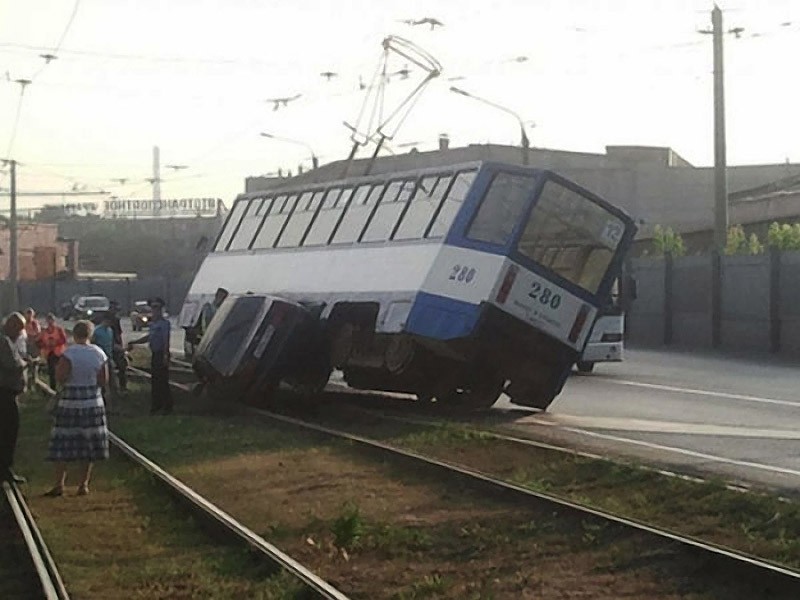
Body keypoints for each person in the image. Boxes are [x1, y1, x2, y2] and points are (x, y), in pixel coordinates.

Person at [45, 320, 109, 497]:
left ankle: (59, 484)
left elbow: (61, 377)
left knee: (63, 444)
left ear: (74, 334)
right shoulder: (99, 353)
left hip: (70, 402)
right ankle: (83, 484)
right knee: (87, 445)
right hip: (92, 402)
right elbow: (104, 381)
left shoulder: (69, 353)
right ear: (90, 335)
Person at [128, 298, 172, 415]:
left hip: (161, 353)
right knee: (155, 381)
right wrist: (135, 341)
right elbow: (149, 337)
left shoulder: (164, 324)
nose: (155, 310)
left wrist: (165, 356)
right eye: (153, 307)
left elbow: (166, 340)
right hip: (154, 354)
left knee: (162, 381)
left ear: (161, 309)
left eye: (157, 307)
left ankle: (166, 406)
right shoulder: (153, 324)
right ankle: (156, 405)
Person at [0, 313, 28, 484]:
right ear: (11, 326)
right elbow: (11, 364)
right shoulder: (3, 341)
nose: (20, 334)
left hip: (6, 392)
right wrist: (25, 363)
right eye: (19, 329)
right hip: (4, 393)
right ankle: (5, 469)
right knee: (8, 431)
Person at [91, 314, 117, 411]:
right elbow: (93, 343)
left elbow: (111, 345)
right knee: (101, 382)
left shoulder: (110, 331)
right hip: (99, 359)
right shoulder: (97, 331)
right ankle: (100, 402)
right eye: (109, 321)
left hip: (109, 358)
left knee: (111, 382)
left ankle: (110, 405)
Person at [38, 314, 67, 390]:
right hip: (50, 354)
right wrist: (45, 344)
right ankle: (52, 388)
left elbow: (64, 340)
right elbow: (39, 342)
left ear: (54, 321)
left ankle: (62, 387)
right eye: (48, 320)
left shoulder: (59, 330)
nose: (50, 322)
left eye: (51, 320)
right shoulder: (44, 331)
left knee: (61, 371)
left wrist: (56, 343)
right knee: (52, 372)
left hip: (59, 353)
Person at [106, 301, 128, 392]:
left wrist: (121, 346)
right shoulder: (105, 319)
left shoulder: (116, 320)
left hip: (117, 345)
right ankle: (111, 388)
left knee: (122, 366)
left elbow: (119, 334)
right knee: (109, 368)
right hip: (108, 346)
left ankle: (123, 387)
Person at [23, 308, 41, 390]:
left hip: (33, 346)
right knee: (25, 363)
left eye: (30, 314)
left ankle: (34, 382)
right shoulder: (23, 323)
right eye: (27, 313)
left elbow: (38, 333)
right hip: (25, 345)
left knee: (34, 363)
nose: (29, 315)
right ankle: (25, 383)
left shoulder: (35, 323)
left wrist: (32, 339)